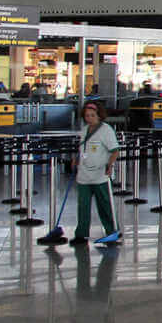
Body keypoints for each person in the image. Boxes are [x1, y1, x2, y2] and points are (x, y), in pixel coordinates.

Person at [38, 101, 123, 248]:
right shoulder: (84, 130)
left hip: (100, 175)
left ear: (99, 115)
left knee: (105, 205)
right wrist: (76, 159)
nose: (89, 118)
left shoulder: (106, 130)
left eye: (92, 115)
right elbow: (83, 148)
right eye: (87, 116)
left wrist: (110, 165)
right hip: (84, 175)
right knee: (82, 206)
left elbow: (115, 150)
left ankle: (111, 231)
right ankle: (81, 234)